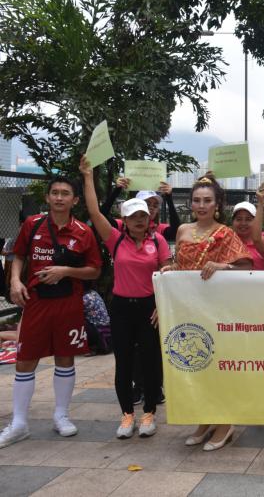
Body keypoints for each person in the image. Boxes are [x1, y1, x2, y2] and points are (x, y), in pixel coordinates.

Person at [0, 176, 102, 449]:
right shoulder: (32, 224)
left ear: (75, 200)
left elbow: (94, 271)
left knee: (65, 357)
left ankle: (61, 416)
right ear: (47, 197)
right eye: (54, 192)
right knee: (25, 359)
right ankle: (19, 423)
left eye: (65, 193)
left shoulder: (83, 232)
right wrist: (15, 281)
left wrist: (65, 271)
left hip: (68, 303)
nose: (59, 197)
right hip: (36, 302)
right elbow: (18, 256)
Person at [80, 156, 171, 438]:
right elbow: (94, 212)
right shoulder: (115, 239)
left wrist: (161, 305)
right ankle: (127, 415)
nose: (139, 220)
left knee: (151, 361)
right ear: (125, 220)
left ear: (149, 217)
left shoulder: (158, 241)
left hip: (149, 309)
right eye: (133, 217)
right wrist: (88, 176)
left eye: (143, 215)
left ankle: (149, 413)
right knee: (124, 363)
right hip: (121, 309)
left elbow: (167, 274)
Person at [162, 174, 253, 451]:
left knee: (219, 366)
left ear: (217, 204)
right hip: (188, 309)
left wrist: (223, 266)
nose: (201, 205)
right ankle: (205, 418)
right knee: (197, 364)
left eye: (207, 200)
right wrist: (170, 270)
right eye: (197, 200)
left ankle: (225, 422)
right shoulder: (183, 230)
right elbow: (182, 266)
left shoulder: (225, 233)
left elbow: (247, 267)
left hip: (217, 310)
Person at [100, 178, 180, 240]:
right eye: (147, 204)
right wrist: (117, 191)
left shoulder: (159, 228)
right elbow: (101, 217)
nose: (152, 207)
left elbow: (176, 232)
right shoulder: (123, 225)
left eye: (155, 205)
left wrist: (169, 198)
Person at [231, 202, 264, 270]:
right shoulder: (225, 243)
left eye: (248, 219)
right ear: (233, 221)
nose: (243, 223)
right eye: (239, 219)